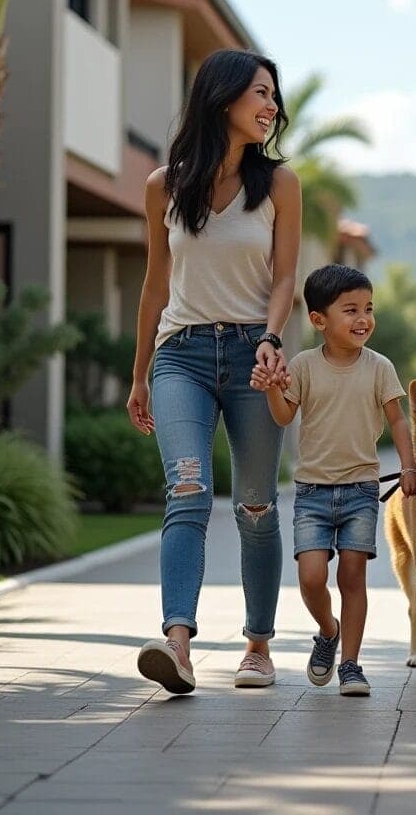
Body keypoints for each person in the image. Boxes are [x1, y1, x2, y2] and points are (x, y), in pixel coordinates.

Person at [129, 48, 301, 695]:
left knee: (256, 506)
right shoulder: (162, 186)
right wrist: (140, 374)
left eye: (273, 95)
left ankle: (258, 644)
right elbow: (153, 286)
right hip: (183, 356)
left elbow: (285, 276)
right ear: (222, 96)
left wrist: (273, 339)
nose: (271, 106)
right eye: (260, 92)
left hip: (255, 359)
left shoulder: (280, 185)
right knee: (188, 491)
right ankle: (177, 644)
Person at [251, 264, 416, 696]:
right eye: (350, 310)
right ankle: (328, 631)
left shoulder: (380, 367)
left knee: (351, 576)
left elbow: (398, 422)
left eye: (368, 308)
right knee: (310, 578)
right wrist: (272, 386)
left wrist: (410, 466)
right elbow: (284, 415)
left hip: (362, 490)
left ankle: (351, 665)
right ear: (319, 320)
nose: (363, 318)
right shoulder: (304, 366)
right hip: (312, 493)